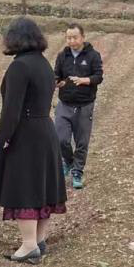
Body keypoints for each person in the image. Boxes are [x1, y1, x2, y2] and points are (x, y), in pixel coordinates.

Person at [0, 16, 68, 263]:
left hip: (26, 135)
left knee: (25, 187)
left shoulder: (19, 67)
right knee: (41, 187)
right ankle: (39, 240)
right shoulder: (43, 64)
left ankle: (29, 244)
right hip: (45, 130)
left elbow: (12, 111)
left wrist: (4, 140)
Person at [53, 23, 103, 190]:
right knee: (61, 139)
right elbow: (56, 75)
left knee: (82, 141)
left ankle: (77, 172)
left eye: (74, 37)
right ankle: (68, 161)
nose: (71, 41)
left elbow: (98, 76)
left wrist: (84, 80)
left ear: (82, 37)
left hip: (84, 105)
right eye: (68, 38)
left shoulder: (93, 55)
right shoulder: (62, 56)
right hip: (65, 103)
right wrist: (57, 82)